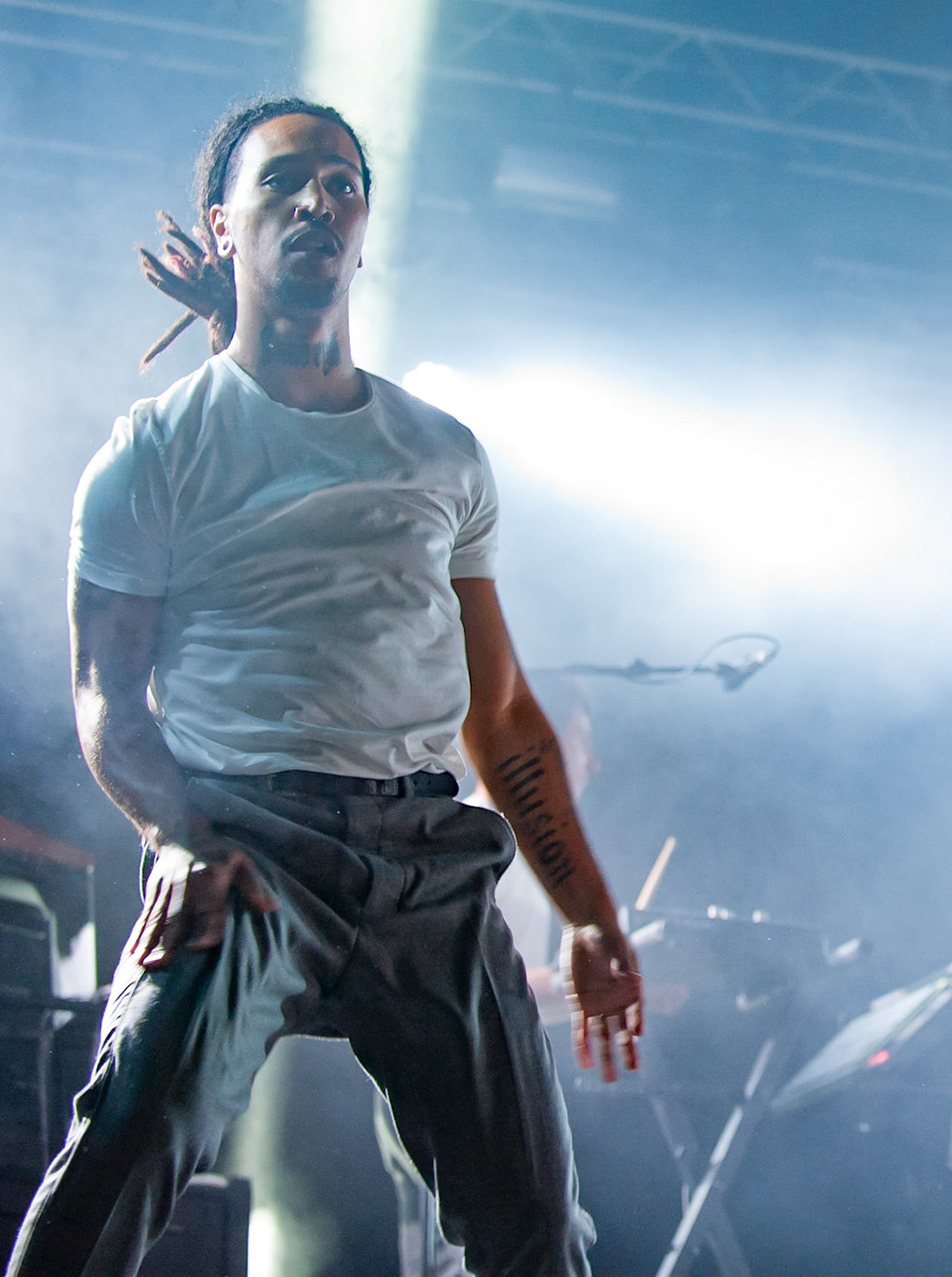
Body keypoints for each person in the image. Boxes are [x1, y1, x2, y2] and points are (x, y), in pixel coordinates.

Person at [6, 96, 643, 1277]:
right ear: (223, 221)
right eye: (284, 179)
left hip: (427, 864)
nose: (318, 200)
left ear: (362, 222)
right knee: (115, 1165)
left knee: (539, 1231)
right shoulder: (152, 451)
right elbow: (108, 700)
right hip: (248, 844)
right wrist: (180, 836)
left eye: (342, 182)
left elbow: (503, 715)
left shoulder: (442, 451)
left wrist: (592, 911)